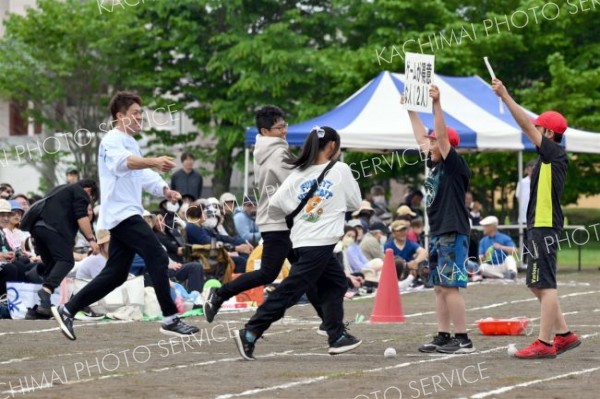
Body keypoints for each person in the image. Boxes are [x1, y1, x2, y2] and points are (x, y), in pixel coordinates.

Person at [51, 91, 198, 340]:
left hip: (127, 214)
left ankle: (68, 309)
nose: (141, 117)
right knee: (158, 257)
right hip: (121, 216)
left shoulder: (131, 142)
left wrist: (164, 189)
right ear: (120, 116)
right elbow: (123, 164)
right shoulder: (111, 140)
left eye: (141, 112)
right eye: (135, 113)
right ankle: (170, 318)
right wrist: (153, 161)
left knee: (117, 274)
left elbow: (140, 173)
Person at [233, 126, 362, 360]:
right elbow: (355, 202)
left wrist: (306, 211)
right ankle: (250, 331)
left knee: (336, 284)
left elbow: (277, 203)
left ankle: (336, 336)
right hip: (320, 242)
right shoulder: (340, 169)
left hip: (301, 241)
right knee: (289, 292)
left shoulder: (298, 173)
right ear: (332, 146)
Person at [204, 106, 322, 326]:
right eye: (279, 127)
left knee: (307, 271)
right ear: (265, 131)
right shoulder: (277, 152)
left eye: (284, 125)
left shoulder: (264, 150)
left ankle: (329, 322)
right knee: (270, 273)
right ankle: (220, 295)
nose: (284, 131)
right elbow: (296, 184)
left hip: (278, 220)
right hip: (279, 222)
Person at [493, 78, 580, 359]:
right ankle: (564, 335)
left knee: (545, 283)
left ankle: (544, 343)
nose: (536, 131)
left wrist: (505, 96)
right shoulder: (550, 155)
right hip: (540, 226)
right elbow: (529, 126)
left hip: (545, 226)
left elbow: (525, 125)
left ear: (549, 133)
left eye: (541, 128)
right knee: (535, 283)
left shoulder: (553, 152)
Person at [404, 85, 474, 354]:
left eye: (433, 141)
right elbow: (420, 136)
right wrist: (410, 108)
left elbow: (441, 137)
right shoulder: (433, 164)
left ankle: (463, 338)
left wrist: (437, 104)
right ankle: (444, 335)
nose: (429, 144)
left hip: (453, 231)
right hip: (438, 232)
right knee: (439, 288)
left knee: (451, 286)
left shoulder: (454, 165)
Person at [29, 180, 99, 318]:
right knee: (66, 262)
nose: (88, 203)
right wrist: (91, 239)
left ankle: (39, 309)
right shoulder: (80, 192)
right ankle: (46, 291)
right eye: (91, 200)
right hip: (52, 229)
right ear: (89, 191)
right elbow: (81, 216)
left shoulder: (59, 189)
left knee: (54, 266)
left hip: (37, 229)